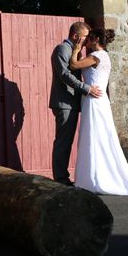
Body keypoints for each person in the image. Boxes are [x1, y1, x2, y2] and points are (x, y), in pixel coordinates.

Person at [70, 28, 128, 195]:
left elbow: (73, 65)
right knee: (96, 135)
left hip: (94, 100)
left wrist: (76, 50)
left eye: (90, 38)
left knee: (95, 135)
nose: (87, 41)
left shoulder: (97, 56)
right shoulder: (103, 56)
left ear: (96, 40)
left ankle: (96, 178)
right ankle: (92, 176)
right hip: (94, 99)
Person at [49, 22, 103, 185]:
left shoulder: (74, 51)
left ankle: (63, 176)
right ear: (75, 36)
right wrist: (86, 88)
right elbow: (65, 74)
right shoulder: (62, 49)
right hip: (64, 102)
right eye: (85, 37)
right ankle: (60, 178)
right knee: (63, 141)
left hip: (72, 102)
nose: (87, 40)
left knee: (68, 141)